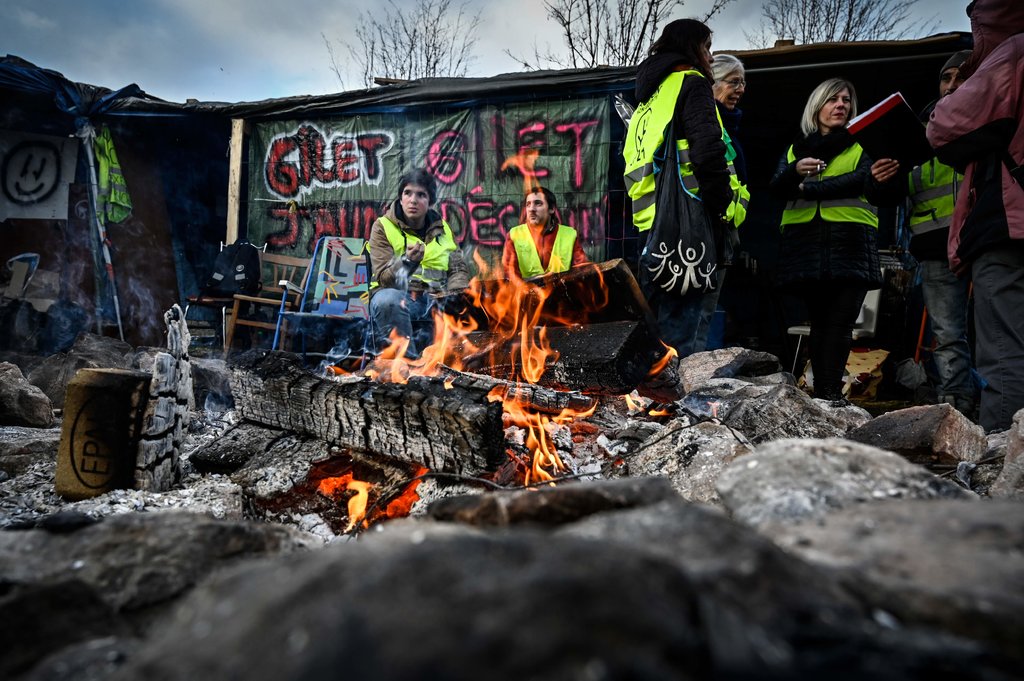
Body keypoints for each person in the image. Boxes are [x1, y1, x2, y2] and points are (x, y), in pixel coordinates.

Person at [928, 0, 1024, 433]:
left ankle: (1003, 470)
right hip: (973, 236)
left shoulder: (1014, 51)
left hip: (1007, 227)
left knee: (1004, 350)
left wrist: (969, 83)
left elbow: (945, 126)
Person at [869, 50, 975, 416]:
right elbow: (892, 193)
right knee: (947, 336)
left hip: (989, 243)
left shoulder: (992, 120)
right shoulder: (918, 130)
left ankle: (1002, 413)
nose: (952, 85)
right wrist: (882, 178)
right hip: (935, 247)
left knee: (999, 333)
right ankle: (956, 411)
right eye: (946, 78)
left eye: (961, 76)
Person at [622, 18, 735, 357]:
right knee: (682, 342)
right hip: (687, 228)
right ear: (692, 48)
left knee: (655, 337)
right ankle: (679, 408)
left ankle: (650, 406)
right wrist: (721, 207)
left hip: (650, 229)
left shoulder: (648, 99)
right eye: (707, 48)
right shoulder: (692, 83)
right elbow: (707, 152)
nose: (711, 57)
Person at [769, 78, 883, 401]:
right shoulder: (795, 149)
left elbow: (862, 179)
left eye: (846, 100)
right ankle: (823, 396)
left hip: (851, 243)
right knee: (820, 324)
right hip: (807, 246)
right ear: (816, 107)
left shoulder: (863, 142)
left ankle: (830, 395)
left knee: (839, 322)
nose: (841, 105)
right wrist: (794, 173)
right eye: (833, 99)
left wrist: (809, 187)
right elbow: (775, 187)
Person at [367, 168, 469, 357]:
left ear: (430, 201)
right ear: (400, 197)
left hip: (435, 299)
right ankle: (409, 370)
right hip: (400, 298)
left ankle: (455, 369)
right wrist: (406, 262)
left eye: (421, 195)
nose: (413, 200)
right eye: (407, 193)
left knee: (476, 301)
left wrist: (456, 294)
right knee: (387, 301)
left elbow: (458, 267)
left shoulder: (443, 227)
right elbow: (384, 279)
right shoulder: (383, 226)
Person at [694, 53, 752, 350]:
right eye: (733, 81)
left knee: (706, 314)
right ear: (712, 83)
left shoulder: (729, 126)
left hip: (722, 232)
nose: (740, 88)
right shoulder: (706, 125)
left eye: (743, 82)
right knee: (696, 315)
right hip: (705, 231)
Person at [501, 186, 588, 282]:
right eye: (528, 204)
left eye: (538, 204)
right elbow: (510, 275)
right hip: (526, 294)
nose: (531, 209)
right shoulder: (514, 235)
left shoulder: (569, 235)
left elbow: (581, 271)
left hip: (561, 294)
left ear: (551, 209)